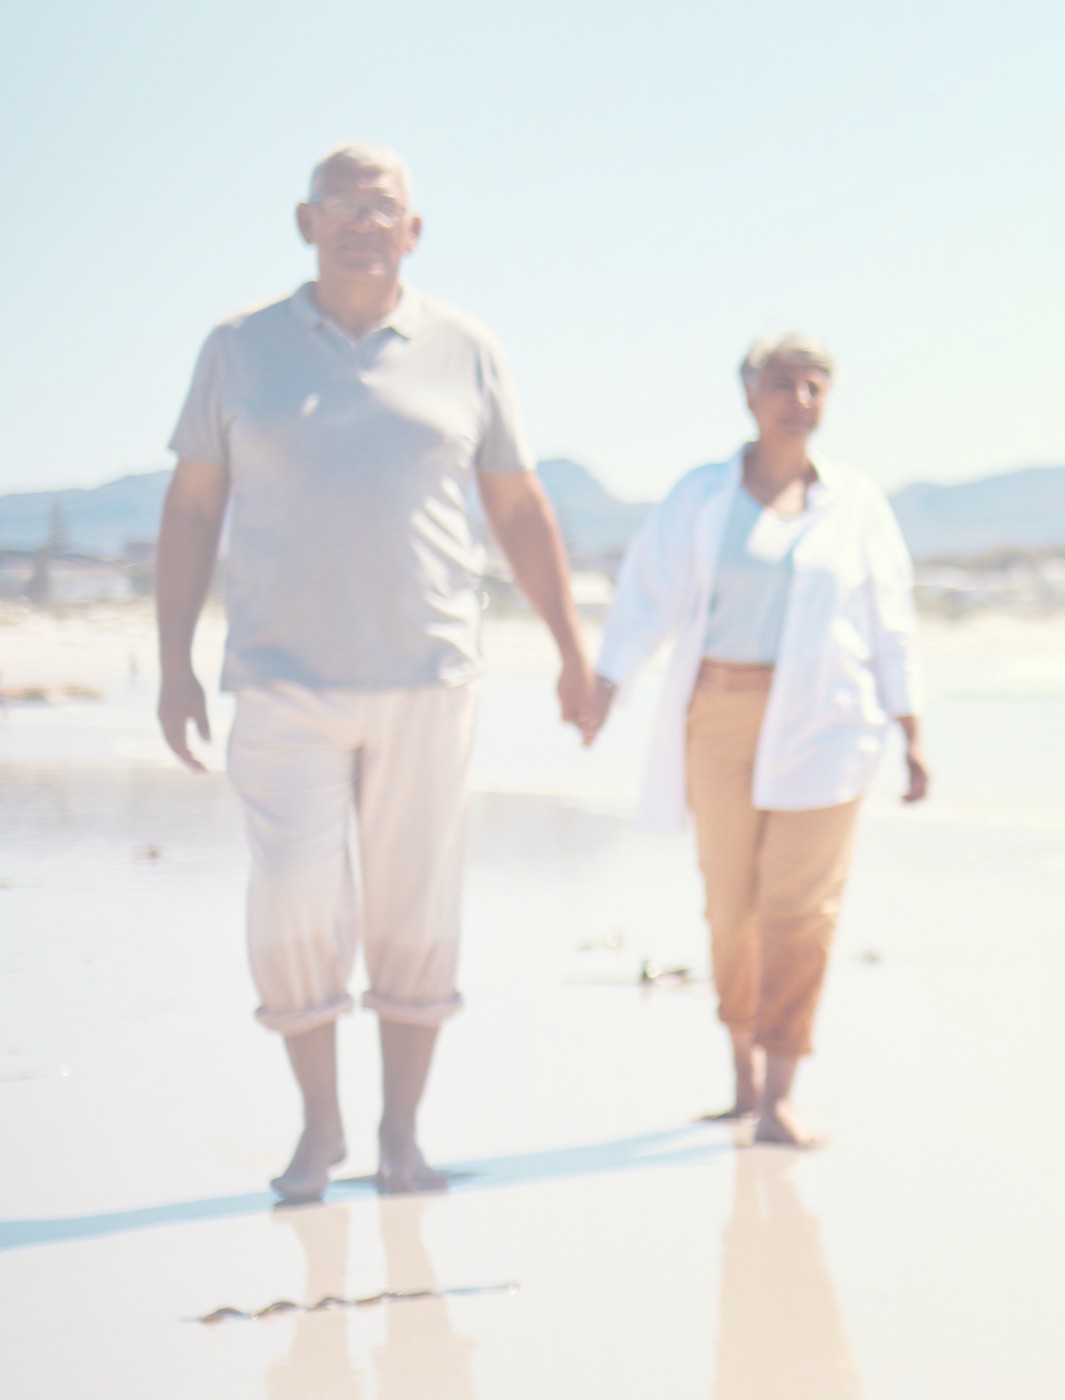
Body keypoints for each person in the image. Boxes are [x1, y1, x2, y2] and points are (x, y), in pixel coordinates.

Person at [153, 141, 598, 1203]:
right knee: (292, 905)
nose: (362, 222)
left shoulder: (468, 348)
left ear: (414, 231)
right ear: (304, 222)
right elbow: (193, 507)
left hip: (428, 675)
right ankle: (322, 1123)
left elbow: (518, 507)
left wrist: (574, 648)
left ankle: (403, 1134)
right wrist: (174, 665)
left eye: (382, 207)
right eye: (340, 205)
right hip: (280, 678)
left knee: (416, 913)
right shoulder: (238, 348)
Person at [586, 332, 929, 1149]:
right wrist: (606, 680)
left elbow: (892, 621)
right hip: (720, 715)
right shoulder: (702, 496)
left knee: (801, 911)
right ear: (749, 394)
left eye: (814, 387)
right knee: (731, 904)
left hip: (828, 720)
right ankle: (741, 1073)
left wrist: (912, 728)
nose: (798, 401)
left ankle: (780, 1092)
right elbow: (648, 592)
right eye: (782, 383)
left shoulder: (856, 504)